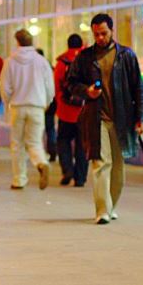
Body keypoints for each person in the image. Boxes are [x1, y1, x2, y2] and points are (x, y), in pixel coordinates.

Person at [66, 13, 143, 225]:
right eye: (96, 34)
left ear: (112, 31)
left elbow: (139, 89)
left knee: (118, 167)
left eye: (103, 33)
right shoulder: (85, 57)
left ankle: (111, 205)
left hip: (122, 118)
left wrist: (142, 118)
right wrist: (87, 91)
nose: (100, 38)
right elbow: (71, 83)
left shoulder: (126, 56)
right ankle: (102, 210)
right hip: (96, 117)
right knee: (101, 163)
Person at [0, 29, 55, 191]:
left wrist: (8, 102)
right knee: (35, 142)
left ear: (17, 42)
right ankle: (41, 163)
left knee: (17, 144)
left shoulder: (10, 61)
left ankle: (19, 179)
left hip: (18, 106)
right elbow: (49, 86)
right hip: (37, 106)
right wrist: (46, 102)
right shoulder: (41, 61)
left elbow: (5, 87)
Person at [54, 34, 87, 187]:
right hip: (84, 111)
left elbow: (57, 86)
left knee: (63, 141)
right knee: (82, 145)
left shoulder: (62, 63)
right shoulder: (88, 60)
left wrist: (60, 102)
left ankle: (67, 169)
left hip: (65, 111)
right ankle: (80, 178)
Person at [38, 48, 58, 162]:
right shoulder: (49, 67)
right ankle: (52, 150)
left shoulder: (35, 69)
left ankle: (40, 153)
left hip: (40, 102)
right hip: (51, 102)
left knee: (39, 130)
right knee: (50, 128)